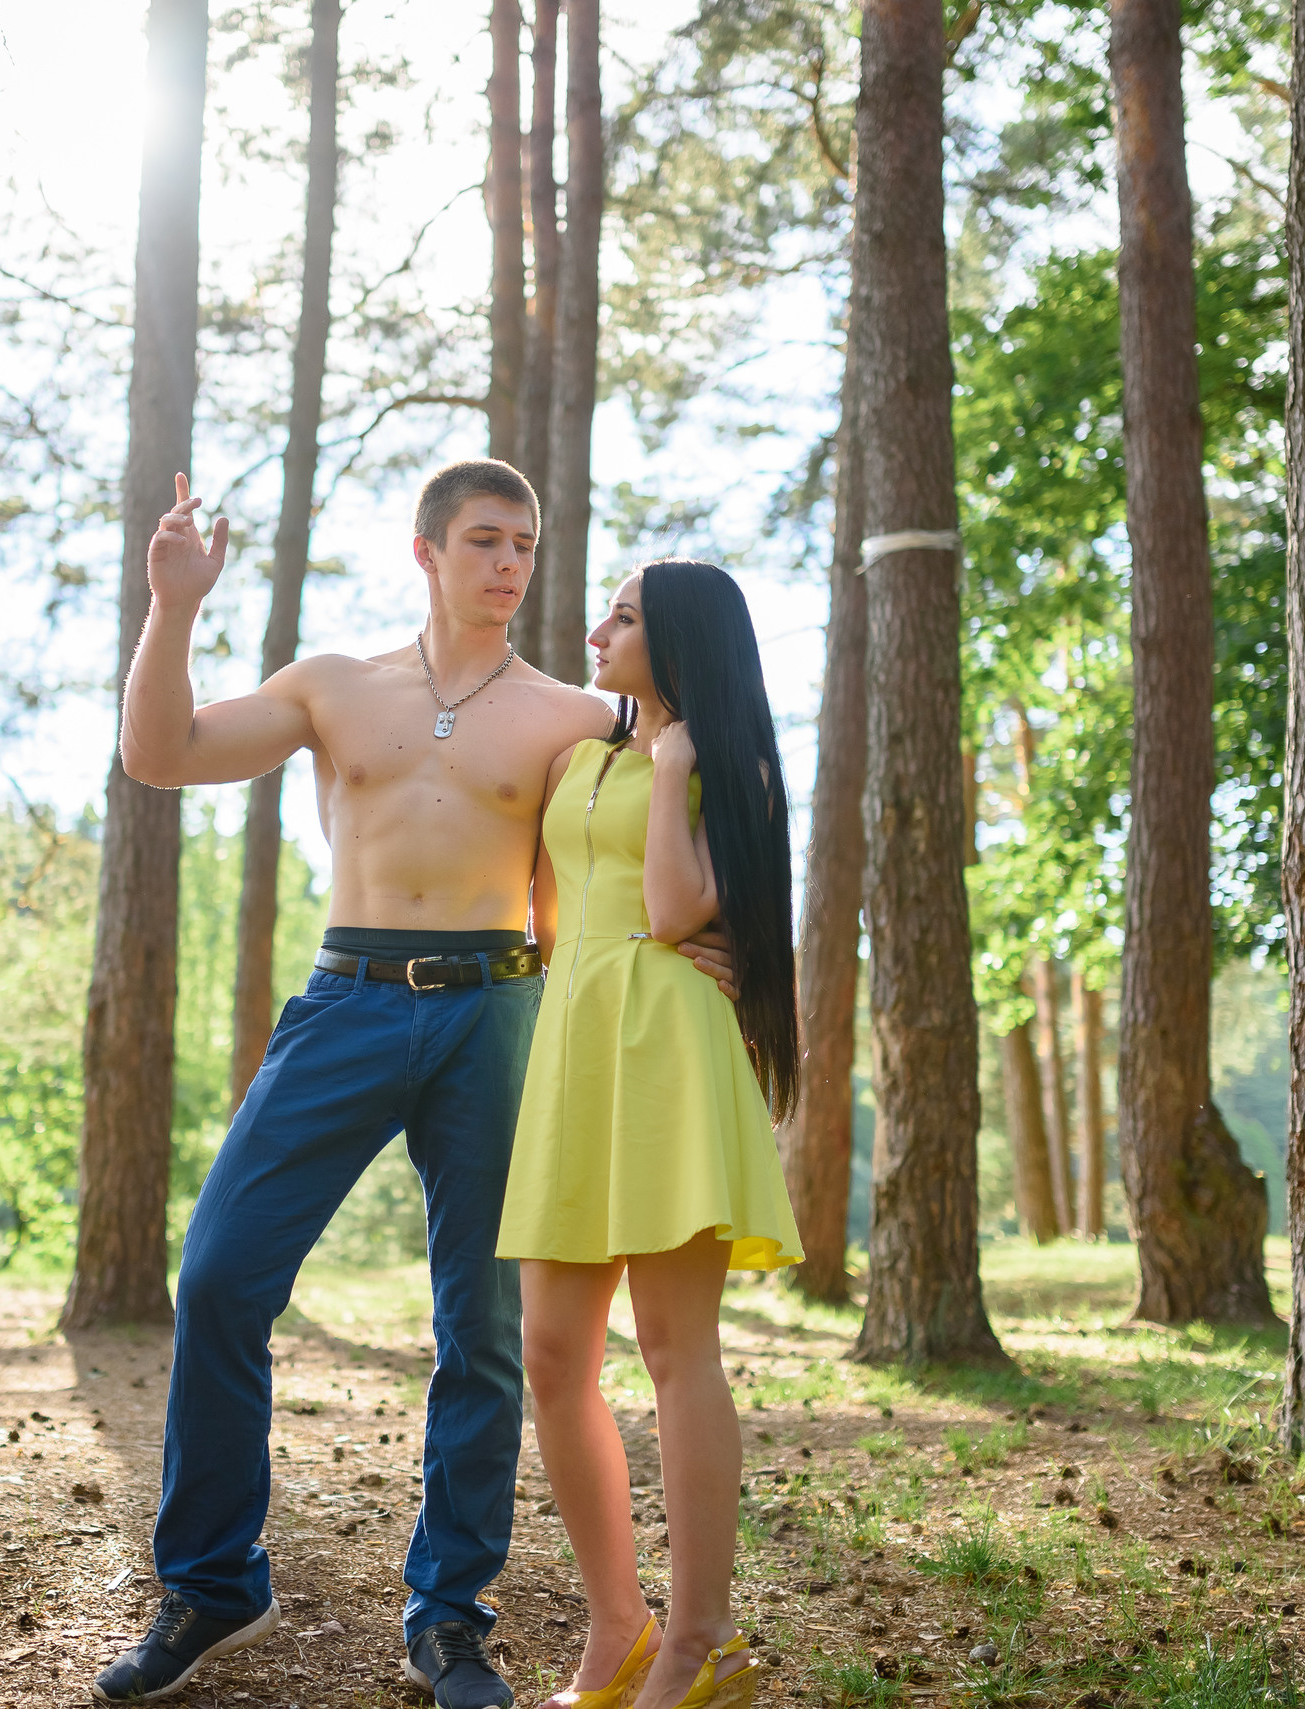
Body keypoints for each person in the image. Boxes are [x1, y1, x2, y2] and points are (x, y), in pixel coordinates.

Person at [95, 464, 735, 1708]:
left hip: (501, 1010)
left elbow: (658, 828)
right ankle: (214, 1580)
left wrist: (723, 941)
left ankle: (451, 1619)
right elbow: (160, 754)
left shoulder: (573, 715)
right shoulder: (335, 685)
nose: (509, 563)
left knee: (486, 1332)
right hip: (344, 999)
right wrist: (172, 606)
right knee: (220, 1274)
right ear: (425, 551)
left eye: (526, 543)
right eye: (485, 540)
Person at [498, 561, 803, 1709]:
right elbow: (546, 902)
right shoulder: (578, 756)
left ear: (678, 640)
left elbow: (677, 914)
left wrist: (676, 765)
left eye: (624, 617)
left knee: (677, 1350)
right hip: (575, 1047)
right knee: (550, 1351)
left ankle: (702, 1640)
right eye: (607, 610)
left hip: (668, 1046)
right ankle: (618, 1624)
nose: (597, 628)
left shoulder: (724, 759)